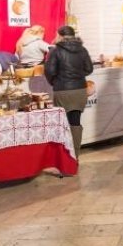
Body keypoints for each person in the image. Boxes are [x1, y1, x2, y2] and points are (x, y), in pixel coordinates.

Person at [45, 26, 94, 159]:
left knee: (62, 124)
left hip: (62, 91)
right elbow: (89, 69)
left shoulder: (55, 51)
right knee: (75, 122)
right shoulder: (82, 49)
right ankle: (74, 157)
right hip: (79, 90)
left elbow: (49, 71)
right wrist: (77, 76)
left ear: (61, 36)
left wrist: (55, 82)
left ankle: (64, 159)